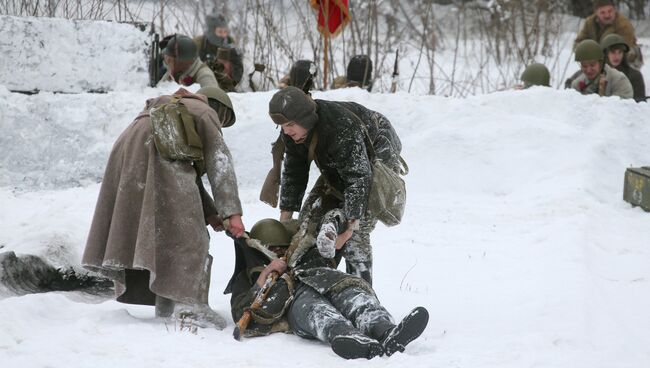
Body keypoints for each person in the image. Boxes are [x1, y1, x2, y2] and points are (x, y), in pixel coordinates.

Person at [82, 86, 245, 329]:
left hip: (130, 151)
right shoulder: (204, 110)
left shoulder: (169, 107)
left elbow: (185, 175)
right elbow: (219, 162)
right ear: (218, 107)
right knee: (191, 236)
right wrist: (232, 213)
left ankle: (166, 304)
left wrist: (211, 213)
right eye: (223, 119)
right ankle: (190, 307)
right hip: (155, 154)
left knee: (165, 231)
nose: (220, 124)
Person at [227, 216, 429, 360]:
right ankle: (352, 338)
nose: (278, 252)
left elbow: (332, 244)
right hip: (295, 302)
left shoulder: (303, 253)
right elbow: (240, 310)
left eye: (282, 247)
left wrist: (346, 231)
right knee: (318, 313)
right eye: (272, 249)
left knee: (355, 296)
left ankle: (388, 332)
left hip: (326, 281)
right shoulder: (248, 274)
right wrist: (266, 273)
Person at [268, 87, 404, 285]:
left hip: (376, 153)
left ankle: (362, 292)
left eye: (290, 124)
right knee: (310, 217)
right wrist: (284, 223)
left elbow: (358, 178)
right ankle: (315, 283)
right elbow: (294, 172)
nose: (287, 131)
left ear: (305, 119)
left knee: (357, 234)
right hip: (340, 160)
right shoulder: (293, 133)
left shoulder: (340, 127)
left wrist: (348, 232)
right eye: (282, 126)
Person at [574, 0, 641, 68]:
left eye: (610, 11)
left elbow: (623, 48)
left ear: (614, 10)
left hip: (624, 60)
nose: (607, 15)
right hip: (597, 60)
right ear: (596, 12)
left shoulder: (623, 24)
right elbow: (578, 42)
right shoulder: (590, 23)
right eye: (602, 12)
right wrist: (584, 51)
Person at [194, 12, 244, 90]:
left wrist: (230, 84)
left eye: (225, 31)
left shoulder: (230, 42)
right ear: (211, 31)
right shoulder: (199, 43)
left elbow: (238, 67)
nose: (223, 35)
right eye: (220, 32)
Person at [600, 33, 646, 102]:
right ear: (605, 54)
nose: (617, 56)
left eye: (620, 52)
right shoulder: (595, 74)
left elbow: (639, 106)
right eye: (613, 52)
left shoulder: (635, 75)